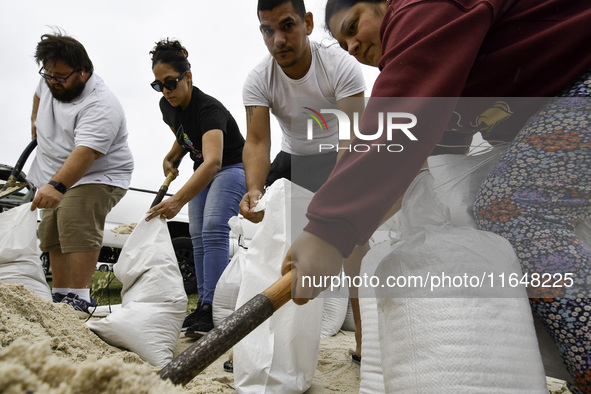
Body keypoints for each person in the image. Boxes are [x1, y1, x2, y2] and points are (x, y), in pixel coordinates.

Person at [282, 0, 591, 392]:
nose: (352, 48)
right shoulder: (447, 69)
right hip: (562, 106)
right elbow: (415, 165)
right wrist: (351, 237)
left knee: (511, 207)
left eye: (353, 26)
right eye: (343, 45)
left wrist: (328, 230)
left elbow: (399, 114)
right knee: (484, 228)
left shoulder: (424, 8)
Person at [235, 0, 367, 371]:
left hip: (340, 152)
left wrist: (334, 203)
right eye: (267, 30)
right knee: (262, 238)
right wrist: (255, 190)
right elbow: (258, 142)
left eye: (287, 25)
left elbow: (352, 135)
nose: (278, 39)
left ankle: (363, 342)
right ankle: (246, 341)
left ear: (308, 23)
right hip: (294, 156)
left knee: (356, 243)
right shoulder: (258, 78)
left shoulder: (340, 65)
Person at [146, 39, 246, 337]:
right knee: (197, 236)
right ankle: (204, 306)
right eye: (159, 85)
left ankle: (213, 308)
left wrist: (177, 200)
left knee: (214, 228)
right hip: (202, 168)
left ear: (188, 77)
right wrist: (172, 156)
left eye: (171, 83)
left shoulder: (209, 109)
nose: (166, 90)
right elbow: (186, 135)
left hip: (231, 167)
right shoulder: (168, 106)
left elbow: (214, 161)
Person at [29, 31, 134, 313]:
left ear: (84, 72)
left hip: (97, 175)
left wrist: (57, 186)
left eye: (60, 77)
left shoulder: (101, 104)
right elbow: (39, 97)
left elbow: (86, 153)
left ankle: (80, 297)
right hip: (56, 172)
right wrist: (35, 127)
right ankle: (61, 295)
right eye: (49, 74)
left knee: (75, 218)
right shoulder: (49, 79)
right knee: (52, 232)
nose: (53, 81)